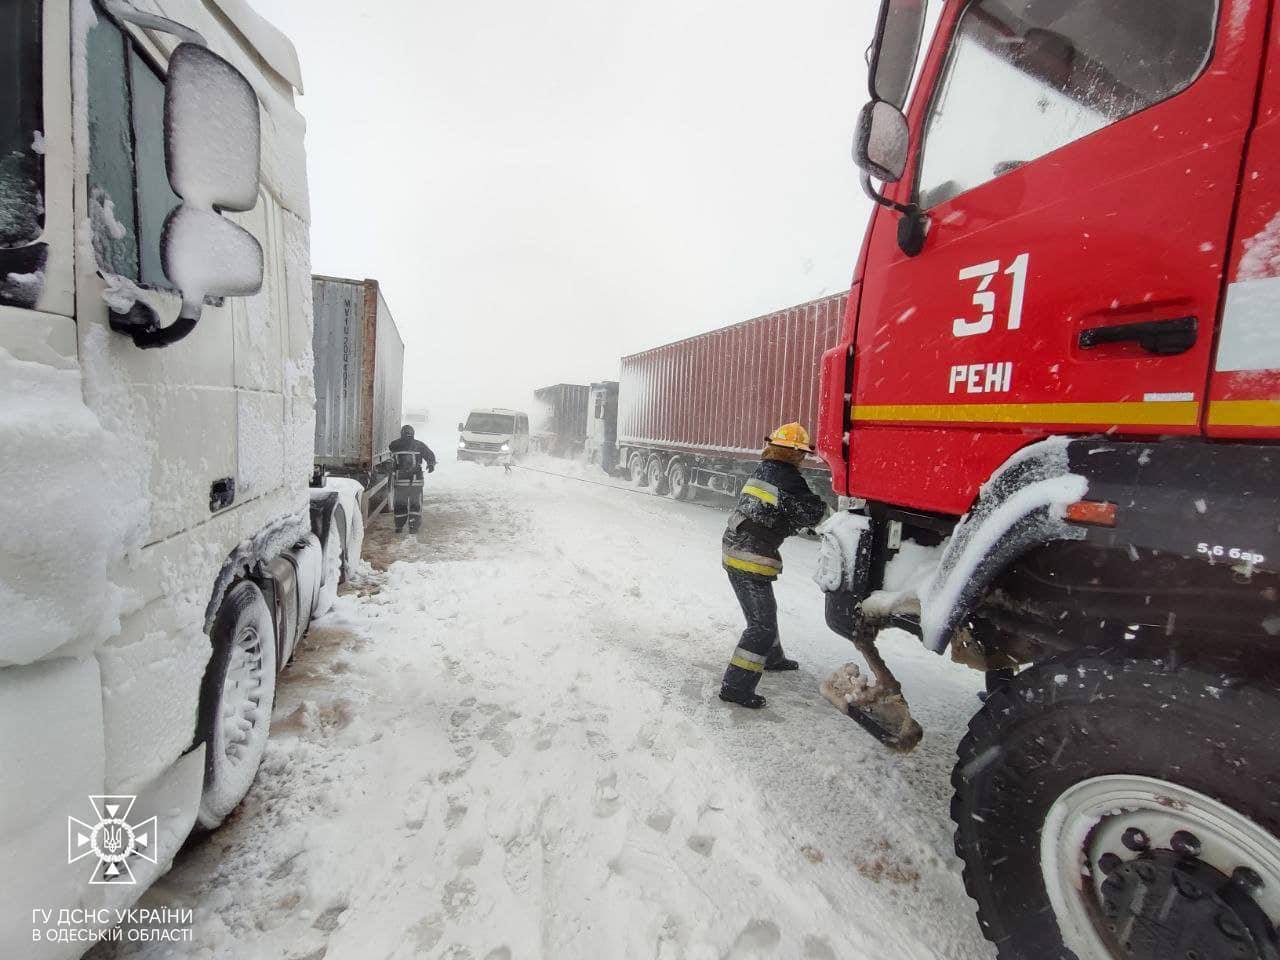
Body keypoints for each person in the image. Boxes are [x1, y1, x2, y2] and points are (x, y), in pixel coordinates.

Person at [719, 423, 827, 709]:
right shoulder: (788, 478)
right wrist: (822, 511)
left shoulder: (764, 469)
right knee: (761, 626)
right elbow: (812, 512)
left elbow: (777, 508)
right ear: (793, 453)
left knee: (764, 612)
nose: (803, 458)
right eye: (801, 453)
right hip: (750, 555)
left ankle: (772, 657)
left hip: (735, 545)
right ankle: (735, 687)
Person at [388, 425, 436, 533]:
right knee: (415, 503)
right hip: (416, 481)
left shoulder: (394, 445)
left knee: (400, 503)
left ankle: (399, 526)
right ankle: (413, 526)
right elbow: (430, 455)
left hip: (401, 481)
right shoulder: (419, 445)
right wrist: (431, 464)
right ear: (413, 434)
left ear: (402, 433)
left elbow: (392, 459)